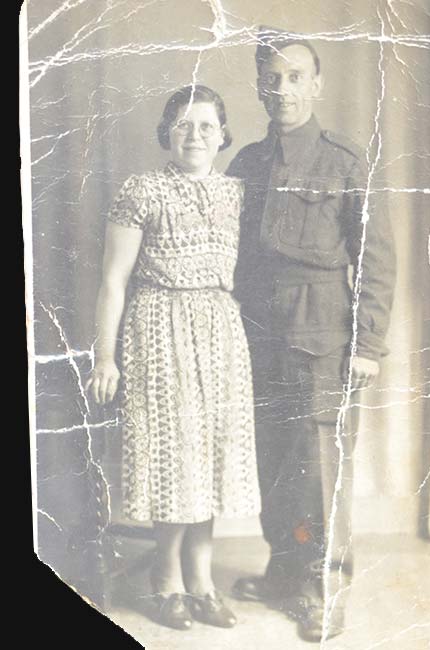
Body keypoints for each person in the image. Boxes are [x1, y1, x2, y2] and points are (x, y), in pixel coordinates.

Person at [227, 27, 396, 642]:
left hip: (321, 328)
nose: (283, 89)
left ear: (316, 84)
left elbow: (376, 255)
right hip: (258, 328)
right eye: (272, 78)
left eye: (295, 77)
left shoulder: (344, 159)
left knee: (318, 464)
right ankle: (284, 571)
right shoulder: (246, 162)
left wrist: (370, 344)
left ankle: (324, 589)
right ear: (259, 88)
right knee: (273, 457)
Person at [86, 85, 261, 631]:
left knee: (207, 458)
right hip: (158, 330)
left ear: (223, 133)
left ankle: (203, 582)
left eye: (207, 126)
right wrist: (105, 357)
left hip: (220, 333)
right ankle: (167, 581)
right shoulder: (142, 190)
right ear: (168, 132)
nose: (195, 135)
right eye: (184, 125)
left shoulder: (236, 192)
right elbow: (114, 280)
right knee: (172, 459)